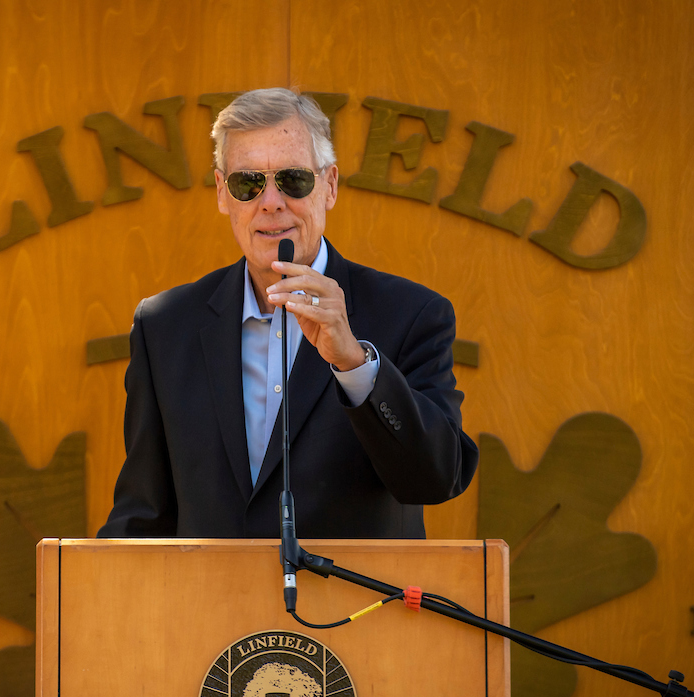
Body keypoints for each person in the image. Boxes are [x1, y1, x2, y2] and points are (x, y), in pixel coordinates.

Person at [97, 88, 477, 539]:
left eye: (293, 180)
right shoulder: (165, 327)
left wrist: (355, 365)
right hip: (210, 606)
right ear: (223, 193)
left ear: (330, 185)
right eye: (247, 183)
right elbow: (143, 517)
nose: (271, 202)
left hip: (350, 608)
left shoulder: (412, 314)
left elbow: (436, 479)